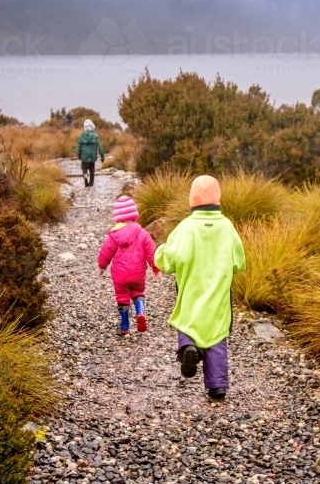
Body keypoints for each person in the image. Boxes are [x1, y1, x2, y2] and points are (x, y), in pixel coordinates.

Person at [155, 175, 245, 400]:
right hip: (218, 294)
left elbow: (170, 260)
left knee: (187, 320)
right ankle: (217, 386)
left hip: (191, 290)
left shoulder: (186, 227)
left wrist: (160, 251)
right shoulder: (226, 227)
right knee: (217, 334)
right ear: (218, 197)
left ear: (192, 199)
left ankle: (188, 349)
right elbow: (239, 262)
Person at [98, 196, 160, 335]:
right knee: (138, 292)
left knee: (122, 297)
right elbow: (151, 252)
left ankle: (125, 325)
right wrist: (155, 268)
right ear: (134, 215)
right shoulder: (142, 233)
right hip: (138, 273)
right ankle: (140, 312)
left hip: (120, 275)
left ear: (117, 217)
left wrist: (102, 267)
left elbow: (105, 253)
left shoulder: (113, 235)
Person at [77, 119, 104, 187]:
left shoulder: (82, 136)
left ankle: (85, 175)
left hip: (84, 156)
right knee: (92, 170)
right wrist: (102, 155)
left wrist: (79, 154)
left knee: (84, 168)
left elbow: (79, 146)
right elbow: (99, 146)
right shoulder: (95, 136)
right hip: (92, 156)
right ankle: (91, 183)